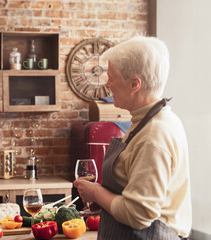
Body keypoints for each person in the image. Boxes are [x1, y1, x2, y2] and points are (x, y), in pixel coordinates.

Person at [74, 36, 192, 239]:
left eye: (112, 77)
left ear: (134, 84)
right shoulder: (147, 121)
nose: (107, 84)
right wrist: (105, 200)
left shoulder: (154, 134)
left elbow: (139, 215)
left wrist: (96, 193)